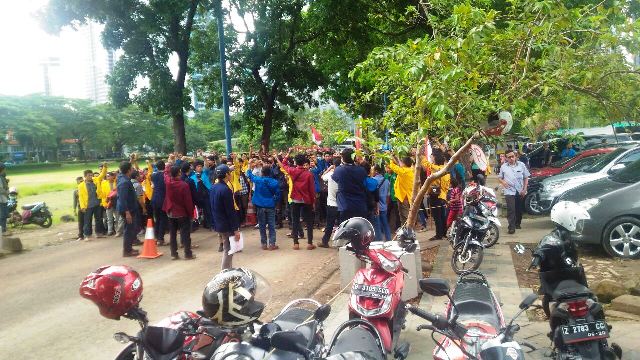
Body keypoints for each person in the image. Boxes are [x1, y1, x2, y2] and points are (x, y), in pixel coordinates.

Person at [276, 152, 317, 250]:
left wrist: (284, 157)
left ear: (295, 162)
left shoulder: (292, 171)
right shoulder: (309, 174)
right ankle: (310, 243)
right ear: (304, 163)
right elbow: (311, 190)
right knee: (309, 221)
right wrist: (313, 202)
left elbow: (283, 164)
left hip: (295, 198)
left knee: (295, 220)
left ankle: (296, 243)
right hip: (306, 199)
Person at [210, 164, 242, 269]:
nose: (231, 175)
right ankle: (225, 271)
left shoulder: (213, 187)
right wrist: (236, 229)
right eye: (230, 173)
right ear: (227, 175)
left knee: (227, 247)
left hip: (218, 223)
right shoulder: (225, 190)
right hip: (226, 225)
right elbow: (230, 212)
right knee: (228, 249)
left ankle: (229, 269)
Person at [246, 162, 281, 250]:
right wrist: (274, 201)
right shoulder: (275, 182)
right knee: (271, 225)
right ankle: (272, 244)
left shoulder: (258, 180)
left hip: (260, 205)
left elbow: (249, 175)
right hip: (270, 205)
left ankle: (264, 244)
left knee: (262, 225)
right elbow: (278, 195)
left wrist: (249, 166)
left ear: (262, 172)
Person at [164, 165, 196, 260]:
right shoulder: (184, 185)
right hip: (182, 212)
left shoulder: (168, 183)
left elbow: (166, 174)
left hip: (171, 212)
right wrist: (191, 213)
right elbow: (188, 201)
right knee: (185, 234)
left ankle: (174, 254)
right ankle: (187, 253)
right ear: (179, 173)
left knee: (173, 234)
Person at [422, 147, 451, 240]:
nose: (431, 159)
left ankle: (438, 235)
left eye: (432, 157)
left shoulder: (436, 168)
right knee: (442, 216)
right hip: (443, 195)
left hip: (436, 196)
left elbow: (426, 164)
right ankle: (443, 233)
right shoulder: (446, 169)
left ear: (436, 159)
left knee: (437, 217)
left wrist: (421, 155)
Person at [332, 148, 369, 221]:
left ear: (342, 158)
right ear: (354, 157)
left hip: (345, 206)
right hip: (360, 206)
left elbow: (335, 179)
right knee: (359, 230)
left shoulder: (339, 170)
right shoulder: (361, 170)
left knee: (346, 230)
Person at [498, 149, 530, 234]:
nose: (511, 158)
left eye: (513, 156)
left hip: (520, 190)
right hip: (509, 191)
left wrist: (525, 188)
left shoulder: (521, 165)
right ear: (506, 158)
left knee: (518, 209)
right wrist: (503, 182)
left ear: (515, 156)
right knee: (511, 209)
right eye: (509, 157)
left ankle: (517, 223)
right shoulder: (503, 167)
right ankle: (511, 227)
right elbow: (500, 178)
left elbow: (526, 177)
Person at [116, 161, 140, 257]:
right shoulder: (124, 182)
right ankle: (127, 251)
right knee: (128, 230)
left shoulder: (122, 177)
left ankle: (129, 248)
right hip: (127, 209)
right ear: (129, 170)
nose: (133, 170)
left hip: (129, 208)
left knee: (131, 228)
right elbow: (122, 198)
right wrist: (127, 212)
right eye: (131, 168)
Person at [78, 165, 106, 240]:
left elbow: (102, 175)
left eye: (91, 175)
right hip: (88, 205)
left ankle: (98, 233)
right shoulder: (81, 186)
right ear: (85, 176)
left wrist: (105, 167)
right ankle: (87, 235)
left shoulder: (95, 180)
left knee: (98, 219)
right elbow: (80, 197)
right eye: (89, 175)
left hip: (97, 203)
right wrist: (82, 207)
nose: (91, 176)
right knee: (87, 221)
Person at [388, 156, 415, 227]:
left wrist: (391, 160)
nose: (400, 163)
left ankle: (409, 231)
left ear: (405, 164)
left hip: (404, 197)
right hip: (402, 196)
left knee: (405, 215)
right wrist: (396, 158)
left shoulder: (404, 171)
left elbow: (394, 167)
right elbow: (399, 165)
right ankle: (405, 230)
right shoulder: (409, 169)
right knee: (402, 216)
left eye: (401, 162)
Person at [321, 158, 341, 247]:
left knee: (329, 224)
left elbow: (322, 176)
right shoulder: (343, 175)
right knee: (342, 224)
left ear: (334, 165)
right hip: (341, 204)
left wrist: (329, 168)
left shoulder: (330, 174)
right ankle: (341, 243)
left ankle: (325, 241)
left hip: (331, 204)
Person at [372, 165, 392, 242]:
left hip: (375, 207)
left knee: (377, 226)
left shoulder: (373, 180)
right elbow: (388, 195)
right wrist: (386, 205)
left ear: (376, 171)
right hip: (384, 206)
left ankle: (379, 242)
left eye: (373, 169)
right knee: (385, 224)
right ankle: (389, 240)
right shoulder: (387, 181)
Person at [151, 160, 168, 246]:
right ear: (164, 167)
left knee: (157, 219)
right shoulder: (165, 176)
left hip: (154, 198)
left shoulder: (153, 175)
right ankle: (160, 238)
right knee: (162, 219)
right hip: (163, 199)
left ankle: (156, 237)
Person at [73, 176, 84, 240]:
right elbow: (74, 201)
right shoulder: (76, 191)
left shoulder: (86, 188)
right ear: (77, 182)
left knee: (87, 221)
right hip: (80, 207)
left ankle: (86, 233)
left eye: (82, 181)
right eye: (80, 181)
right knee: (80, 222)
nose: (81, 182)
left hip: (87, 206)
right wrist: (74, 209)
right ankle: (81, 235)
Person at [0, 164, 9, 233]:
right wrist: (6, 193)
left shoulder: (2, 178)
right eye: (4, 169)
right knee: (3, 215)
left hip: (4, 199)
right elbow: (1, 189)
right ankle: (3, 229)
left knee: (5, 214)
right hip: (1, 199)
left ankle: (4, 228)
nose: (5, 170)